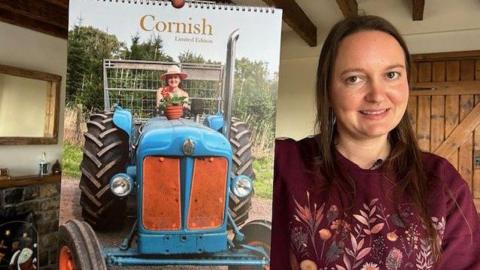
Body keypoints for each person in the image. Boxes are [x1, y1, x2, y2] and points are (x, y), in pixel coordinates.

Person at [271, 15, 480, 270]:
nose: (377, 95)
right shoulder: (281, 164)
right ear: (327, 89)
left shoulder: (442, 181)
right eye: (354, 79)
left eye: (391, 75)